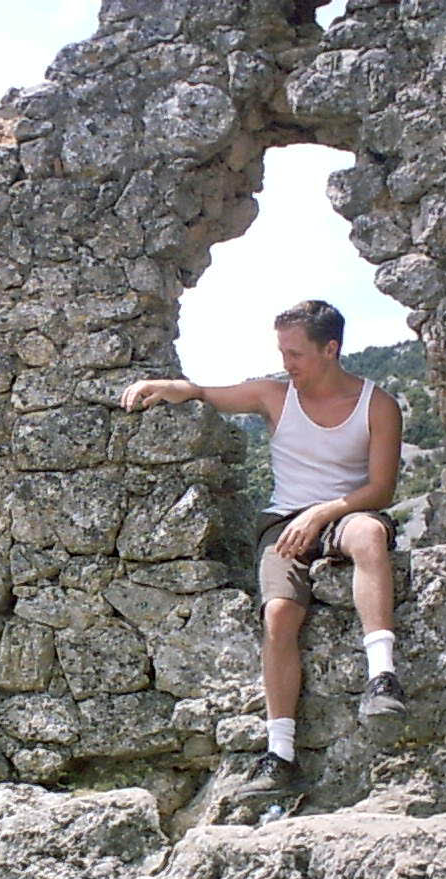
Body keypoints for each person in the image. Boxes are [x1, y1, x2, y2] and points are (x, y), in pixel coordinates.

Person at [120, 300, 406, 796]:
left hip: (347, 513)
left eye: (295, 353)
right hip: (283, 524)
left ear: (331, 349)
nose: (286, 363)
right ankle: (281, 755)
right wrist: (166, 387)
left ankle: (383, 678)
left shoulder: (377, 405)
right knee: (277, 614)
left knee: (370, 534)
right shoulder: (276, 396)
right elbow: (211, 393)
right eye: (282, 352)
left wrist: (322, 512)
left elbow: (381, 489)